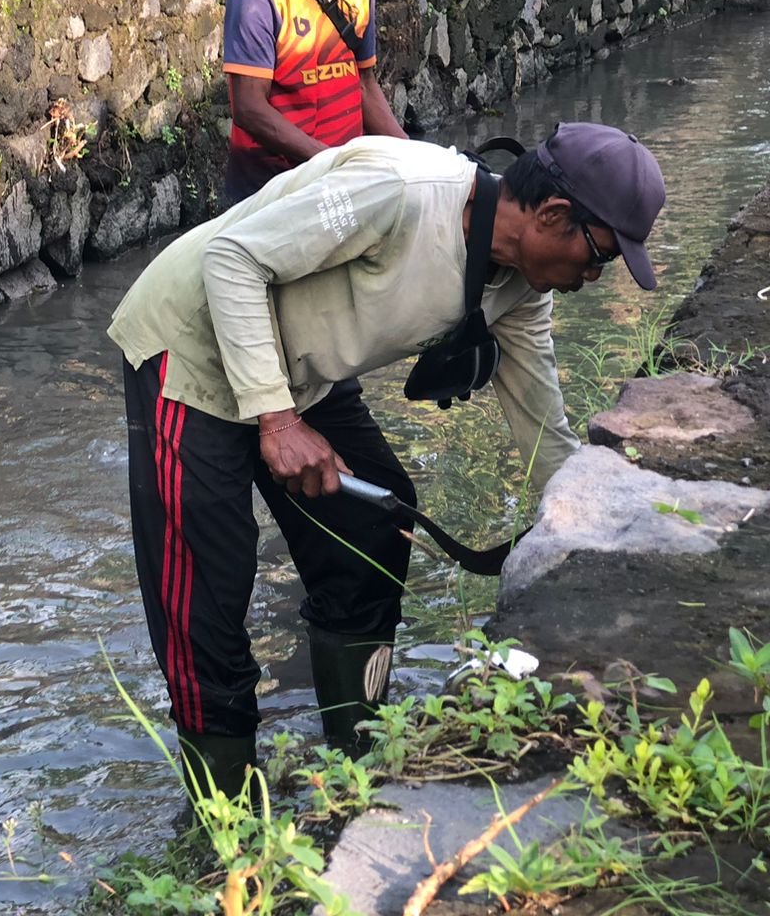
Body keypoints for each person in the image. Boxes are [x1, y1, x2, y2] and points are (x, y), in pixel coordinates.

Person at [107, 124, 666, 801]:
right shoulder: (399, 193)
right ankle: (224, 828)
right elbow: (231, 258)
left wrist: (592, 534)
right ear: (552, 216)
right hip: (188, 353)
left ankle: (355, 766)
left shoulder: (520, 287)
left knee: (373, 531)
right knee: (207, 603)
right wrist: (276, 419)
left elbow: (543, 429)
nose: (594, 277)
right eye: (598, 255)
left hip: (300, 369)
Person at [222, 0, 414, 204]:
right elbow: (250, 109)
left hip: (338, 187)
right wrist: (329, 162)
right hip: (270, 192)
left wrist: (415, 160)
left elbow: (364, 85)